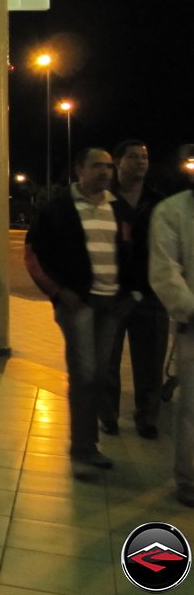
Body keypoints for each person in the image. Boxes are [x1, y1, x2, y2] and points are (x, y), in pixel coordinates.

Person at [25, 147, 130, 471]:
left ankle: (88, 443)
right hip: (78, 303)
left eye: (108, 167)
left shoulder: (119, 208)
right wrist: (58, 293)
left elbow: (132, 253)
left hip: (112, 303)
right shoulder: (59, 208)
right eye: (97, 166)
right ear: (79, 170)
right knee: (84, 374)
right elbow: (33, 254)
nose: (105, 172)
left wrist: (130, 294)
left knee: (98, 374)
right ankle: (83, 449)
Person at [104, 139, 168, 439]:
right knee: (107, 360)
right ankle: (108, 414)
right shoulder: (103, 200)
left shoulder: (158, 202)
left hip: (152, 295)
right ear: (118, 162)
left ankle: (147, 417)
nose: (141, 161)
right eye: (133, 157)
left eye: (144, 156)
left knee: (151, 362)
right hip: (111, 294)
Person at [148, 143, 194, 508]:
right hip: (193, 326)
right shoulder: (173, 212)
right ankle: (189, 479)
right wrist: (188, 310)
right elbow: (165, 271)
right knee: (191, 408)